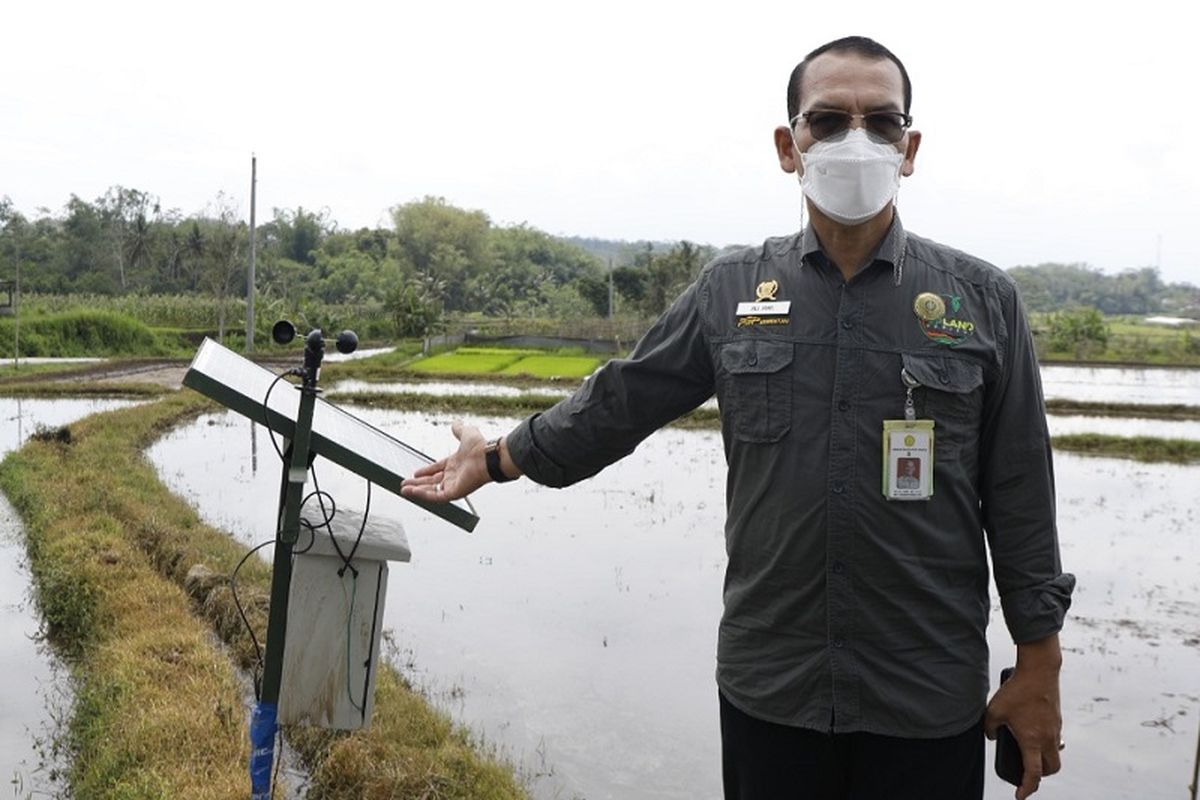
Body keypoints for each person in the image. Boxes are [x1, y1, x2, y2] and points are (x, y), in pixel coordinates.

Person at [402, 35, 1074, 800]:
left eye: (881, 122)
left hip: (925, 695)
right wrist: (492, 459)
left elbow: (1021, 496)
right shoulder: (733, 291)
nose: (857, 139)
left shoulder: (981, 302)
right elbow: (621, 401)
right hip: (773, 687)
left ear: (909, 147)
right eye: (829, 120)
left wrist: (1039, 667)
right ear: (790, 146)